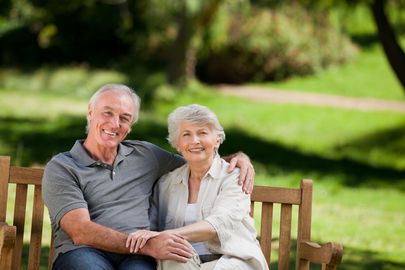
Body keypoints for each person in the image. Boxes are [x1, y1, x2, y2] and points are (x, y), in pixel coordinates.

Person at [42, 84, 255, 270]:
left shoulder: (146, 155)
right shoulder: (63, 167)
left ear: (130, 126)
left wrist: (238, 157)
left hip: (138, 256)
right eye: (107, 113)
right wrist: (149, 244)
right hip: (85, 251)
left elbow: (196, 159)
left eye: (124, 118)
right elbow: (81, 231)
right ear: (90, 112)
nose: (115, 124)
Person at [126, 104, 268, 270]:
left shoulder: (234, 177)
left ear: (217, 140)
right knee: (171, 256)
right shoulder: (166, 184)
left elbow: (217, 224)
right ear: (177, 144)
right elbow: (150, 227)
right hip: (185, 261)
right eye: (186, 134)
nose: (195, 141)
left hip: (232, 260)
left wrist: (162, 235)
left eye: (202, 133)